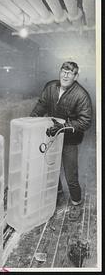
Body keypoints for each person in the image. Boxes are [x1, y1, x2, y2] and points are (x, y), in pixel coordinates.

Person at [30, 61, 92, 220]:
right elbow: (41, 106)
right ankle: (56, 194)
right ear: (60, 73)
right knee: (50, 168)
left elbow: (85, 122)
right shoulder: (50, 87)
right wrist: (31, 121)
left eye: (70, 73)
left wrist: (64, 125)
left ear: (76, 76)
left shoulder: (81, 94)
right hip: (52, 136)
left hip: (70, 140)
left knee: (71, 175)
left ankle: (76, 203)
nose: (65, 75)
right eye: (63, 71)